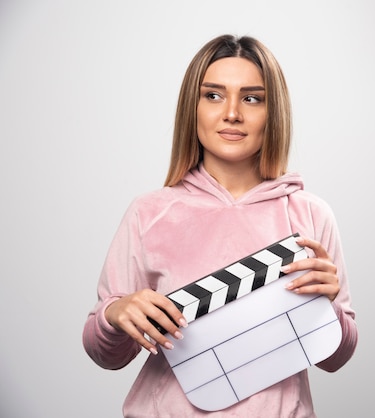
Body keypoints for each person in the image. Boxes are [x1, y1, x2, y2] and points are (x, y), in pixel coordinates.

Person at [82, 34, 358, 417]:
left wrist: (329, 309)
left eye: (252, 98)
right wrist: (115, 314)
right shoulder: (149, 213)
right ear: (191, 109)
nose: (231, 113)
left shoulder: (310, 215)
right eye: (213, 95)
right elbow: (107, 356)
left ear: (272, 111)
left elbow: (334, 358)